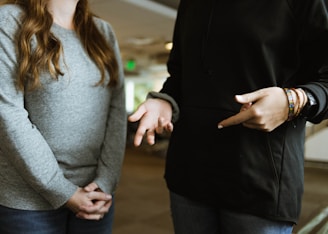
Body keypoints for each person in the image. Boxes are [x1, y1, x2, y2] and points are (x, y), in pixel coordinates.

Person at [128, 0, 328, 233]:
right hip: (190, 173)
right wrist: (164, 100)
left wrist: (293, 101)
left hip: (259, 178)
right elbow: (179, 75)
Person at [0, 0, 126, 233]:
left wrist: (106, 181)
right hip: (27, 201)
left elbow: (117, 109)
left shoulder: (103, 31)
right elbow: (7, 111)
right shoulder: (9, 19)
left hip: (94, 193)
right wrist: (61, 190)